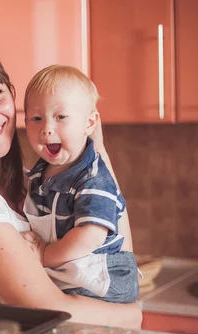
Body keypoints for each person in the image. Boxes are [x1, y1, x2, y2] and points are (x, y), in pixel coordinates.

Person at [0, 36, 141, 328]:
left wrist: (92, 143)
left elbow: (114, 234)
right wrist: (133, 314)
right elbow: (51, 311)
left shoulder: (32, 183)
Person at [22, 64, 139, 303]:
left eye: (61, 117)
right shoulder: (39, 174)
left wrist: (45, 254)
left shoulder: (92, 178)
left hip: (104, 277)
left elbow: (91, 236)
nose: (47, 129)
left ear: (89, 123)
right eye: (36, 118)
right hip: (75, 271)